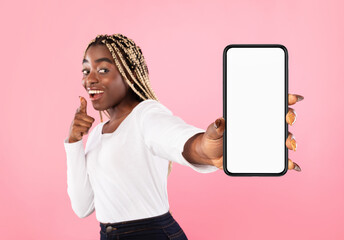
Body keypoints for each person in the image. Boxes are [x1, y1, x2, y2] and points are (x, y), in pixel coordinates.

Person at [64, 34, 303, 240]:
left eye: (103, 69)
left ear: (129, 73)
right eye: (86, 71)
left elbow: (179, 139)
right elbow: (82, 206)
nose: (90, 79)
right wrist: (74, 142)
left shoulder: (146, 115)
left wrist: (207, 148)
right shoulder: (96, 134)